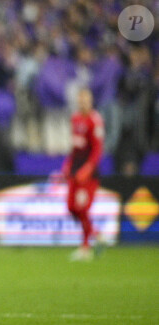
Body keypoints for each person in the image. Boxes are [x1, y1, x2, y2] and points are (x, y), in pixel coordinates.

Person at [62, 88, 104, 261]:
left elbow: (97, 149)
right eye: (80, 100)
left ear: (91, 101)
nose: (82, 103)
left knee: (82, 208)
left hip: (88, 173)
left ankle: (85, 247)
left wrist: (88, 169)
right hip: (75, 169)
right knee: (71, 207)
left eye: (86, 100)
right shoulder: (75, 118)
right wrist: (68, 164)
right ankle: (98, 236)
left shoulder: (96, 121)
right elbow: (74, 147)